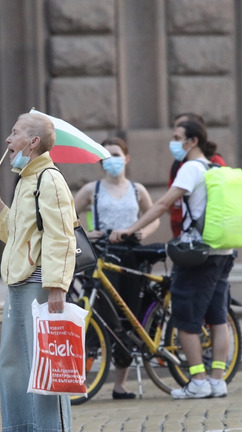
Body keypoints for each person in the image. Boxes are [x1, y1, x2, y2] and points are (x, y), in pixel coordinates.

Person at [0, 111, 78, 432]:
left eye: (15, 132)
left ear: (33, 141)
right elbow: (21, 235)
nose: (8, 140)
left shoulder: (49, 180)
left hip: (39, 282)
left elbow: (61, 237)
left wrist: (56, 287)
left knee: (46, 362)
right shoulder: (26, 179)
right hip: (22, 281)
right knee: (16, 365)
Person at [113, 118, 233, 400]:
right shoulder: (214, 166)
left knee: (186, 319)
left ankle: (198, 381)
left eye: (178, 137)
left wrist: (131, 229)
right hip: (223, 252)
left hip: (198, 255)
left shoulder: (191, 168)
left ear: (192, 141)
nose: (174, 142)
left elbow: (164, 204)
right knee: (217, 318)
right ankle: (217, 379)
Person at [73, 137, 159, 400]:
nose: (112, 160)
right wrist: (87, 234)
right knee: (99, 316)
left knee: (128, 314)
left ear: (127, 157)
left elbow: (153, 216)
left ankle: (120, 385)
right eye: (107, 155)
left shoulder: (138, 189)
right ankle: (81, 380)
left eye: (116, 154)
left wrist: (142, 232)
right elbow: (68, 216)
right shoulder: (91, 189)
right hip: (102, 257)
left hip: (131, 256)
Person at [168, 113, 226, 238]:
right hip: (181, 231)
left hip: (202, 234)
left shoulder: (212, 162)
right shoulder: (178, 164)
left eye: (178, 136)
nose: (174, 139)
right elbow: (170, 201)